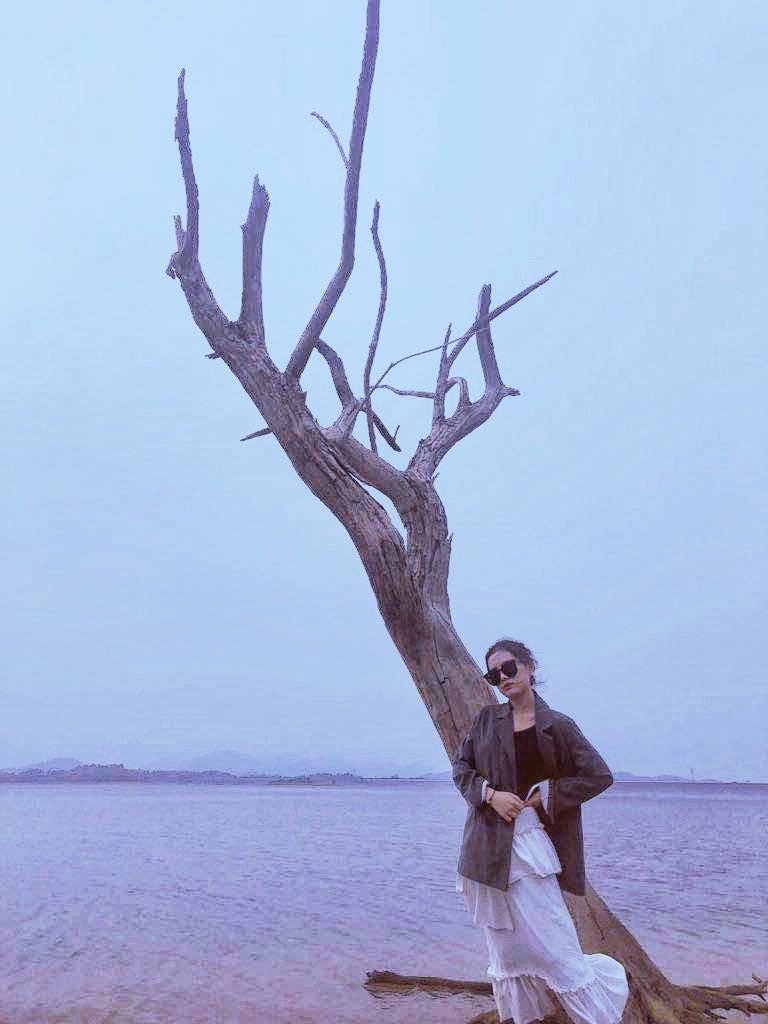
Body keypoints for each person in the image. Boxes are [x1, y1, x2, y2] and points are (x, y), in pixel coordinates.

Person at [452, 638, 629, 1024]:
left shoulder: (558, 725)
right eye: (494, 675)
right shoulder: (486, 720)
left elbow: (598, 776)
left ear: (529, 667)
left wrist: (546, 794)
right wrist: (491, 795)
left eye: (509, 668)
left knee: (560, 953)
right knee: (507, 956)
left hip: (532, 849)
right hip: (485, 851)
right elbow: (461, 769)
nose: (503, 678)